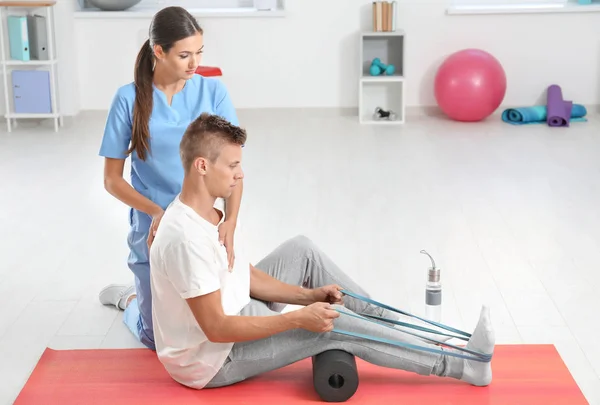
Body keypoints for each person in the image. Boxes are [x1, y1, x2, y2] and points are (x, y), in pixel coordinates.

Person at [143, 112, 496, 391]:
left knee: (302, 250)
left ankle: (414, 335)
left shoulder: (211, 213)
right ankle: (464, 366)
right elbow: (217, 328)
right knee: (333, 322)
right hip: (213, 359)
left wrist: (308, 295)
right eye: (232, 166)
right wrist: (298, 316)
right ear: (202, 166)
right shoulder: (185, 238)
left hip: (236, 313)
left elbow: (240, 276)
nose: (239, 175)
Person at [96, 6, 243, 351]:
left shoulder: (212, 93)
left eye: (199, 53)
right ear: (158, 51)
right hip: (153, 226)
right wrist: (157, 213)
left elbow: (234, 167)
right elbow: (112, 180)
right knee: (154, 339)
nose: (194, 64)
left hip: (203, 224)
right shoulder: (128, 99)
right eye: (184, 55)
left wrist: (231, 222)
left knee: (212, 325)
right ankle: (130, 299)